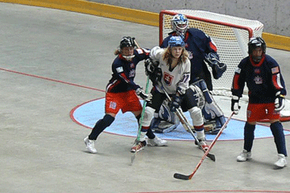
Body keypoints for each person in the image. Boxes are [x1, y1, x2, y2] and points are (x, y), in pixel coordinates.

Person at [84, 36, 167, 154]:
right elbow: (125, 80)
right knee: (109, 119)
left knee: (141, 117)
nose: (129, 51)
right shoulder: (117, 63)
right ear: (121, 50)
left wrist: (155, 58)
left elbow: (150, 52)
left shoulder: (136, 54)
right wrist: (138, 90)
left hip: (128, 92)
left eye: (130, 49)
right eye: (126, 49)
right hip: (115, 93)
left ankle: (152, 139)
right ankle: (90, 139)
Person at [151, 13, 227, 134]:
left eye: (183, 24)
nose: (181, 27)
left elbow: (211, 47)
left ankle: (214, 119)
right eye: (179, 24)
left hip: (197, 75)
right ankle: (166, 118)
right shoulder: (167, 42)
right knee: (162, 92)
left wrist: (215, 62)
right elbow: (159, 59)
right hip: (176, 79)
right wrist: (155, 70)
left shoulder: (197, 35)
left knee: (202, 94)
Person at [131, 36, 209, 152]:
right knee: (147, 112)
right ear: (170, 49)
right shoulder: (161, 55)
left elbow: (185, 81)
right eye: (175, 49)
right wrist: (150, 64)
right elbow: (151, 52)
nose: (178, 52)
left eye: (180, 49)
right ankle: (140, 140)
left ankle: (201, 139)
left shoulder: (186, 62)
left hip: (179, 89)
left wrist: (178, 96)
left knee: (196, 112)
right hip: (161, 88)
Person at [231, 37, 287, 168]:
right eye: (255, 51)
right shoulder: (244, 64)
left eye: (260, 50)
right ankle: (247, 151)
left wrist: (280, 95)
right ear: (250, 51)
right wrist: (235, 98)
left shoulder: (271, 63)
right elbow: (237, 82)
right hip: (255, 99)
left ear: (263, 50)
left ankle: (282, 156)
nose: (257, 53)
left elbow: (278, 81)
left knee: (275, 123)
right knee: (250, 124)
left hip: (270, 99)